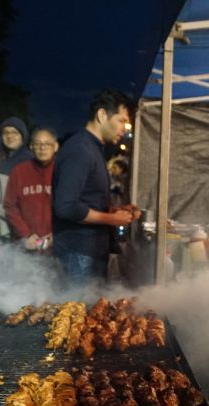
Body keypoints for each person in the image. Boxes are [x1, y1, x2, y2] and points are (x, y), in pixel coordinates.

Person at [52, 89, 135, 286]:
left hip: (90, 252)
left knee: (92, 313)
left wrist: (115, 210)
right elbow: (66, 206)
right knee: (80, 313)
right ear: (101, 115)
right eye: (121, 120)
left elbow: (87, 198)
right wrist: (111, 219)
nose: (125, 128)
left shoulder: (94, 148)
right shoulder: (80, 149)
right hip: (79, 253)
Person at [4, 127, 58, 253]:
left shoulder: (64, 170)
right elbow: (10, 206)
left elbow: (71, 207)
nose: (42, 148)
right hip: (25, 245)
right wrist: (26, 234)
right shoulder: (19, 171)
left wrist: (57, 234)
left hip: (56, 244)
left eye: (47, 144)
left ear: (56, 147)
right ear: (31, 146)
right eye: (38, 144)